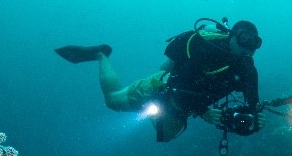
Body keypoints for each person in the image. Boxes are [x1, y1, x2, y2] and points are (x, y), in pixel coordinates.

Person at [55, 20, 266, 142]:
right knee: (112, 101)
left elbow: (251, 105)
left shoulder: (248, 69)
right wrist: (205, 112)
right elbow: (180, 84)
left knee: (166, 137)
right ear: (232, 36)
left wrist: (253, 121)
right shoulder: (205, 48)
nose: (249, 49)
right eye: (245, 41)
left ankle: (151, 109)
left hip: (183, 105)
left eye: (255, 45)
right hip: (163, 87)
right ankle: (101, 54)